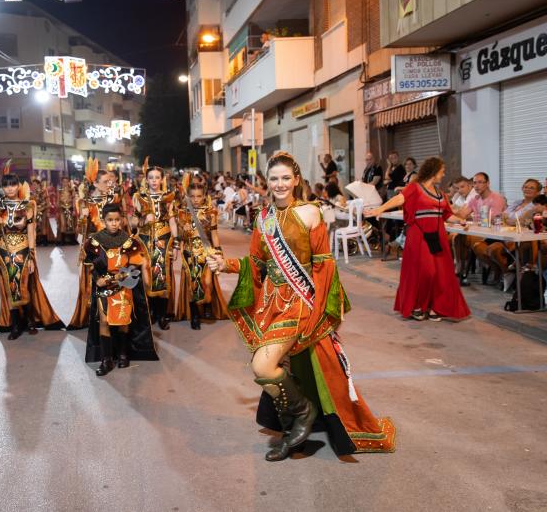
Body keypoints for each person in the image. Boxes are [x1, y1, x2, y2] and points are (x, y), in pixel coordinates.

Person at [207, 152, 396, 462]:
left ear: (295, 180)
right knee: (284, 368)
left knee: (263, 366)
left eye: (285, 178)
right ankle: (293, 430)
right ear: (266, 182)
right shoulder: (262, 217)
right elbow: (256, 263)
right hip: (271, 303)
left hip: (300, 302)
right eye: (274, 178)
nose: (279, 184)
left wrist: (319, 308)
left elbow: (324, 265)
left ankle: (304, 414)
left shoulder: (310, 212)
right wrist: (225, 264)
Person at [368, 157, 471, 321]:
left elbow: (447, 215)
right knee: (425, 271)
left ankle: (434, 307)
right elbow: (400, 198)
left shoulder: (440, 194)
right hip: (419, 235)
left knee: (441, 273)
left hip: (438, 237)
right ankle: (417, 305)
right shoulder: (414, 187)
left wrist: (461, 221)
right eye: (442, 171)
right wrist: (380, 208)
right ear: (434, 171)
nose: (443, 175)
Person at [84, 204, 158, 376]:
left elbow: (134, 267)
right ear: (103, 221)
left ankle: (123, 354)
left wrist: (123, 276)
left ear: (122, 220)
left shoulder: (129, 242)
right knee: (104, 321)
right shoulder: (94, 242)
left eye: (117, 220)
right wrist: (97, 279)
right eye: (110, 220)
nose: (114, 223)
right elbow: (91, 267)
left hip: (123, 287)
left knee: (123, 321)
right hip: (103, 288)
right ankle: (106, 359)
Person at [0, 174, 64, 340]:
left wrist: (32, 255)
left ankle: (30, 320)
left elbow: (31, 232)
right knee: (10, 286)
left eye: (12, 184)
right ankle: (16, 324)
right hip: (3, 250)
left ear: (18, 186)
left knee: (25, 284)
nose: (9, 188)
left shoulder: (29, 205)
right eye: (6, 185)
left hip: (23, 249)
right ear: (2, 188)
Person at [68, 164, 119, 330]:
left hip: (111, 247)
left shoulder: (114, 200)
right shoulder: (85, 203)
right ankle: (94, 318)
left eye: (110, 182)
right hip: (93, 248)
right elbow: (79, 230)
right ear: (96, 184)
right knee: (93, 283)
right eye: (105, 182)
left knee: (111, 282)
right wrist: (83, 218)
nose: (109, 185)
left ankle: (110, 315)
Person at [176, 181, 228, 329]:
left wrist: (219, 252)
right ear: (188, 197)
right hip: (189, 252)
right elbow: (179, 236)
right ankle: (195, 316)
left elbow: (214, 234)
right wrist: (183, 230)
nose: (195, 199)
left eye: (199, 196)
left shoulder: (210, 212)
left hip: (207, 252)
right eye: (192, 196)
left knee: (207, 282)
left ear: (204, 196)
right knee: (192, 284)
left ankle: (206, 306)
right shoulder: (183, 213)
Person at [133, 165, 178, 330]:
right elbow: (133, 222)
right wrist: (145, 220)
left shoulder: (169, 197)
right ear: (146, 179)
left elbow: (172, 222)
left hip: (164, 242)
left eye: (157, 177)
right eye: (150, 177)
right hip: (144, 241)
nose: (154, 180)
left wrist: (176, 245)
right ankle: (149, 312)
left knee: (163, 278)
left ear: (162, 179)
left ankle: (161, 315)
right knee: (147, 278)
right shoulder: (139, 197)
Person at [455, 172, 508, 285]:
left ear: (487, 183)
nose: (477, 186)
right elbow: (462, 214)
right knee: (458, 237)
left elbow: (492, 220)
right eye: (474, 183)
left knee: (462, 238)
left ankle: (500, 271)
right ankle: (460, 271)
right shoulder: (475, 198)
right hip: (479, 232)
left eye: (480, 182)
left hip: (494, 234)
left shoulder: (496, 198)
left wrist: (474, 219)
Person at [30, 179, 55, 246]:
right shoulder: (32, 193)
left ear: (38, 184)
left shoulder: (44, 191)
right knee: (36, 225)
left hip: (43, 210)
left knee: (43, 225)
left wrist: (48, 211)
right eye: (33, 185)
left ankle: (45, 241)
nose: (34, 186)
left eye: (35, 184)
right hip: (35, 211)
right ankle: (38, 241)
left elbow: (47, 201)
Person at [57, 176, 78, 245]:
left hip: (70, 208)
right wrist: (57, 210)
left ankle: (72, 240)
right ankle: (62, 240)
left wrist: (74, 209)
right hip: (62, 208)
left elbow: (74, 200)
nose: (65, 183)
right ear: (61, 182)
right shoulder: (59, 190)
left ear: (68, 182)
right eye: (63, 181)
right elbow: (57, 201)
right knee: (63, 224)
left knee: (71, 224)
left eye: (66, 181)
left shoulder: (71, 190)